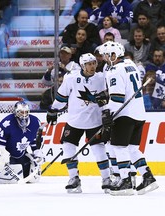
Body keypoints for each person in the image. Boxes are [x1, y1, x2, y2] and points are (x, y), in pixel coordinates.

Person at [99, 41, 158, 195]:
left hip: (124, 115)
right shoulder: (130, 63)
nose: (104, 58)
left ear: (113, 55)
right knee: (132, 148)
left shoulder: (114, 71)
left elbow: (117, 99)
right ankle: (147, 177)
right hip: (139, 113)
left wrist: (107, 113)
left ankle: (125, 180)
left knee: (119, 147)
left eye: (106, 55)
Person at [46, 53, 111, 193]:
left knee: (98, 149)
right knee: (68, 146)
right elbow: (61, 97)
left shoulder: (101, 78)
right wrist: (53, 110)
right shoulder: (71, 78)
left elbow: (109, 96)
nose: (93, 66)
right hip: (74, 121)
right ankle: (73, 178)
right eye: (89, 64)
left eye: (94, 63)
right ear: (82, 65)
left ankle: (106, 178)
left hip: (95, 121)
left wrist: (106, 110)